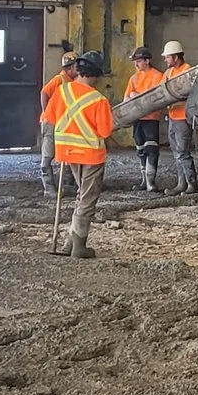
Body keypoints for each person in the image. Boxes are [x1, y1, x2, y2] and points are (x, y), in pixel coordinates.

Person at [42, 53, 116, 258]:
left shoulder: (62, 91)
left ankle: (69, 244)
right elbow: (105, 131)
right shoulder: (98, 100)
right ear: (95, 75)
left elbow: (49, 118)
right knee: (87, 198)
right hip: (91, 154)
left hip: (67, 152)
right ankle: (80, 246)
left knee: (80, 195)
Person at [123, 46, 167, 192]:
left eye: (139, 61)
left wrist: (136, 96)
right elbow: (126, 99)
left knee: (151, 148)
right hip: (137, 118)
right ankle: (144, 181)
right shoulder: (133, 78)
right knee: (140, 149)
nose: (136, 64)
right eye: (135, 61)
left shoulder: (157, 76)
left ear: (147, 61)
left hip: (151, 118)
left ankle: (151, 182)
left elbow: (156, 97)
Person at [159, 40, 198, 195]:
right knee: (177, 152)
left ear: (176, 57)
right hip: (172, 117)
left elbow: (190, 94)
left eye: (167, 57)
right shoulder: (168, 73)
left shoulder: (187, 71)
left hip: (183, 118)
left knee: (183, 151)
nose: (165, 60)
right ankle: (181, 184)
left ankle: (192, 184)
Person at [36, 51, 75, 195]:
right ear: (69, 68)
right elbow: (44, 93)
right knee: (48, 155)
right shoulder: (60, 80)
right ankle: (49, 188)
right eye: (76, 67)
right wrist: (47, 112)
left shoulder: (72, 82)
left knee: (65, 153)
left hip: (62, 123)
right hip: (51, 123)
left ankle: (66, 186)